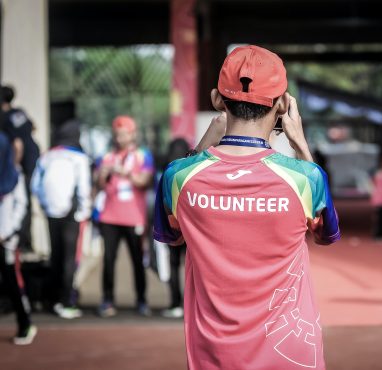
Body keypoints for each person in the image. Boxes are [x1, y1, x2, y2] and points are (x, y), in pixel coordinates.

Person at [154, 45, 340, 369]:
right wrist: (301, 146)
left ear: (216, 99)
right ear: (283, 104)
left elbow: (174, 237)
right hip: (290, 354)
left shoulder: (178, 176)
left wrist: (200, 149)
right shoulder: (306, 178)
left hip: (214, 356)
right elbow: (326, 235)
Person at [31, 119, 91, 319]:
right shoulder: (79, 158)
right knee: (69, 259)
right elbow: (84, 188)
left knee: (55, 256)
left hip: (51, 214)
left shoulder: (47, 156)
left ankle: (52, 300)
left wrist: (45, 206)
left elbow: (35, 186)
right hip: (71, 215)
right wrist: (83, 212)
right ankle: (66, 302)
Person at [96, 116, 154, 317]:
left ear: (132, 134)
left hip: (134, 217)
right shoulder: (106, 156)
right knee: (109, 260)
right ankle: (107, 299)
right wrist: (103, 174)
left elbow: (144, 181)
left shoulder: (142, 155)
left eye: (124, 134)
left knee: (137, 260)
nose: (120, 137)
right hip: (109, 217)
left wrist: (124, 172)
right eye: (117, 134)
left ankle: (141, 300)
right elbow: (99, 183)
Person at [0, 132, 37, 345]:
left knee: (13, 282)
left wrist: (8, 232)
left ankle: (25, 323)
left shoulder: (15, 175)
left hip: (6, 240)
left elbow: (21, 206)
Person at [0, 85, 40, 252]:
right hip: (33, 158)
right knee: (27, 202)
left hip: (22, 162)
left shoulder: (4, 117)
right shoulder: (19, 113)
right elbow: (33, 127)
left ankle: (21, 240)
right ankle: (26, 240)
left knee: (19, 202)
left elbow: (17, 144)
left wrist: (14, 166)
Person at [160, 138, 189, 319]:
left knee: (173, 264)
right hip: (191, 228)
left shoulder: (168, 171)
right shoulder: (191, 170)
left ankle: (174, 302)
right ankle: (191, 303)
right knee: (193, 266)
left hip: (172, 225)